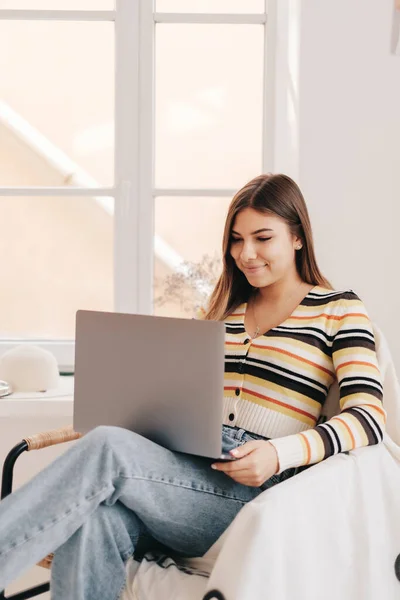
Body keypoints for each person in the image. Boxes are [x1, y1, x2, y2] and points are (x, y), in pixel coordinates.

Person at [0, 173, 386, 599]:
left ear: (297, 237)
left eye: (263, 238)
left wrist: (279, 453)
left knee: (108, 447)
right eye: (237, 240)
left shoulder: (338, 309)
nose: (247, 253)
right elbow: (175, 397)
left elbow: (369, 420)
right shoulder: (222, 309)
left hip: (258, 492)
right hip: (187, 472)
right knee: (96, 523)